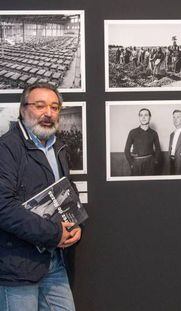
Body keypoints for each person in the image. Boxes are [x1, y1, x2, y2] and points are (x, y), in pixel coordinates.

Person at [0, 83, 82, 310]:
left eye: (55, 107)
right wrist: (54, 233)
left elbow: (67, 192)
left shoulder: (59, 147)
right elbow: (3, 206)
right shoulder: (6, 148)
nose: (48, 113)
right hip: (17, 267)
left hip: (55, 263)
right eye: (40, 106)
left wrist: (76, 224)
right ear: (23, 109)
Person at [124, 108, 161, 176]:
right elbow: (126, 150)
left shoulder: (154, 133)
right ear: (139, 117)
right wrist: (131, 164)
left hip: (150, 164)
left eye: (146, 115)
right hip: (136, 163)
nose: (143, 117)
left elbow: (158, 149)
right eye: (141, 115)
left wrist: (155, 162)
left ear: (150, 117)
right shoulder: (132, 132)